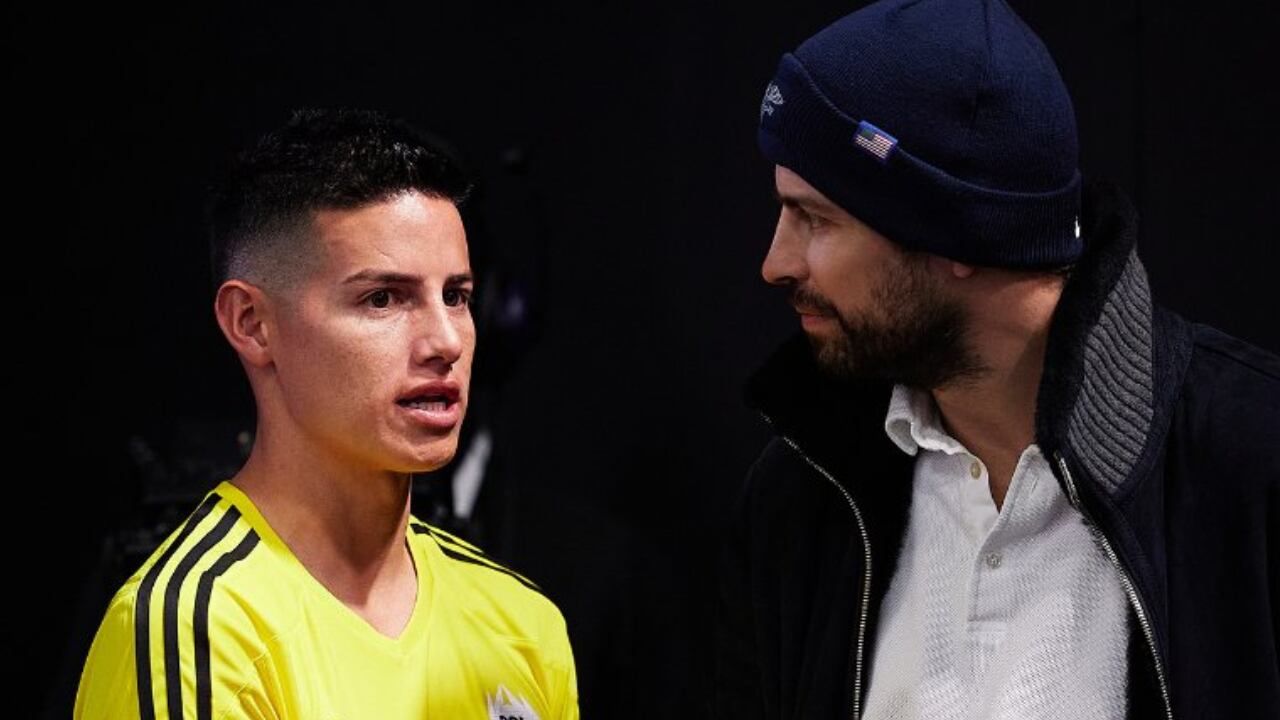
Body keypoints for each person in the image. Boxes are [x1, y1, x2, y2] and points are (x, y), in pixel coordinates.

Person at [715, 1, 1280, 718]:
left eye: (815, 218)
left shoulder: (1248, 469)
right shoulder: (800, 499)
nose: (775, 263)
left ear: (954, 234)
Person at [75, 109, 579, 720]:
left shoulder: (523, 623)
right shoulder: (195, 627)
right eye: (383, 298)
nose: (445, 340)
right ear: (253, 324)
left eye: (457, 296)